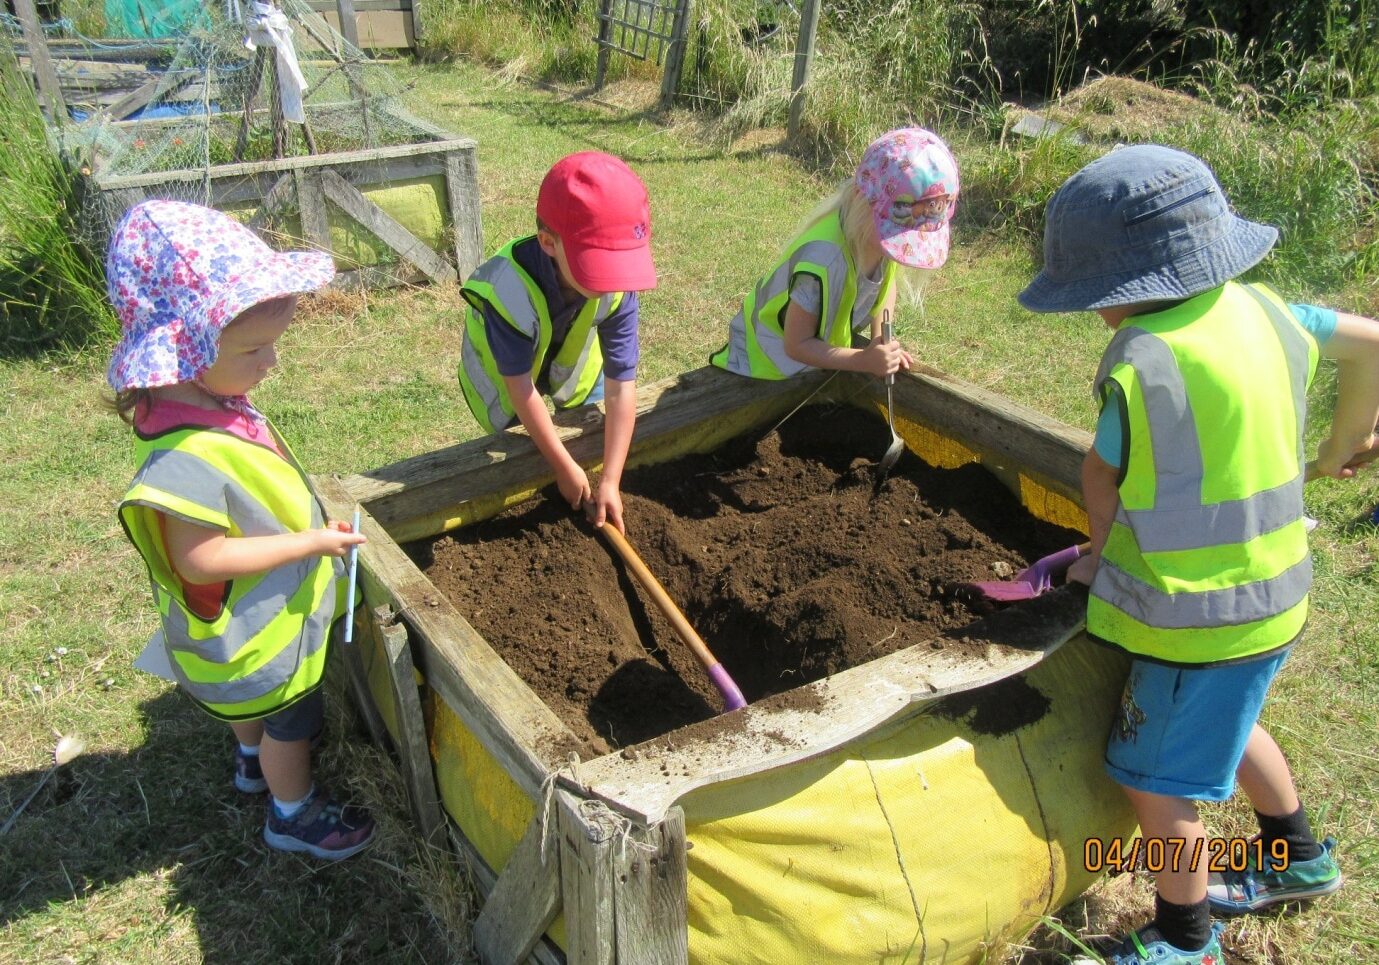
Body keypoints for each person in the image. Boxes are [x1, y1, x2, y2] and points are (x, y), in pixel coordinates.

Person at [1019, 145, 1378, 965]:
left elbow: (1100, 476)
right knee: (1236, 718)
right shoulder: (1275, 310)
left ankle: (1185, 935)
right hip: (1278, 594)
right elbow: (1373, 344)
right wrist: (1346, 440)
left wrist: (1092, 558)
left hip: (1196, 616)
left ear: (1125, 290)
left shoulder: (1142, 360)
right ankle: (1299, 858)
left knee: (1153, 777)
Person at [107, 200, 375, 861]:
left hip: (243, 632)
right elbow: (202, 559)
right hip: (257, 645)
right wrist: (311, 542)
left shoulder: (204, 403)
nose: (271, 363)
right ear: (187, 352)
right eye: (254, 349)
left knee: (258, 719)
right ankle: (293, 812)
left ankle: (249, 761)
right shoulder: (183, 457)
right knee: (295, 722)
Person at [457, 151, 657, 534]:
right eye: (598, 269)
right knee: (521, 454)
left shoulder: (618, 290)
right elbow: (520, 387)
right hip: (506, 381)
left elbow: (621, 389)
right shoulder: (508, 290)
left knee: (588, 440)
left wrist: (611, 480)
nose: (612, 283)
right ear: (549, 242)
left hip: (570, 364)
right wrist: (563, 467)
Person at [710, 127, 958, 381]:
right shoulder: (823, 261)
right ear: (862, 200)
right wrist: (862, 360)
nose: (902, 245)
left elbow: (885, 286)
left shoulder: (878, 241)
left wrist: (881, 340)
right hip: (765, 366)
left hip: (812, 361)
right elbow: (796, 344)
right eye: (898, 234)